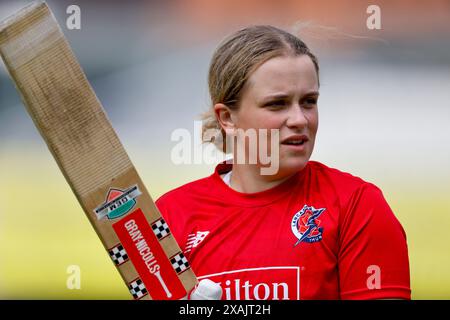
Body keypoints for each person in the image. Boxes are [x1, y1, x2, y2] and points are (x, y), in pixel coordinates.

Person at [156, 25, 411, 300]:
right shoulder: (169, 218)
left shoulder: (358, 205)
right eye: (277, 104)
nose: (300, 119)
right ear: (227, 118)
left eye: (309, 101)